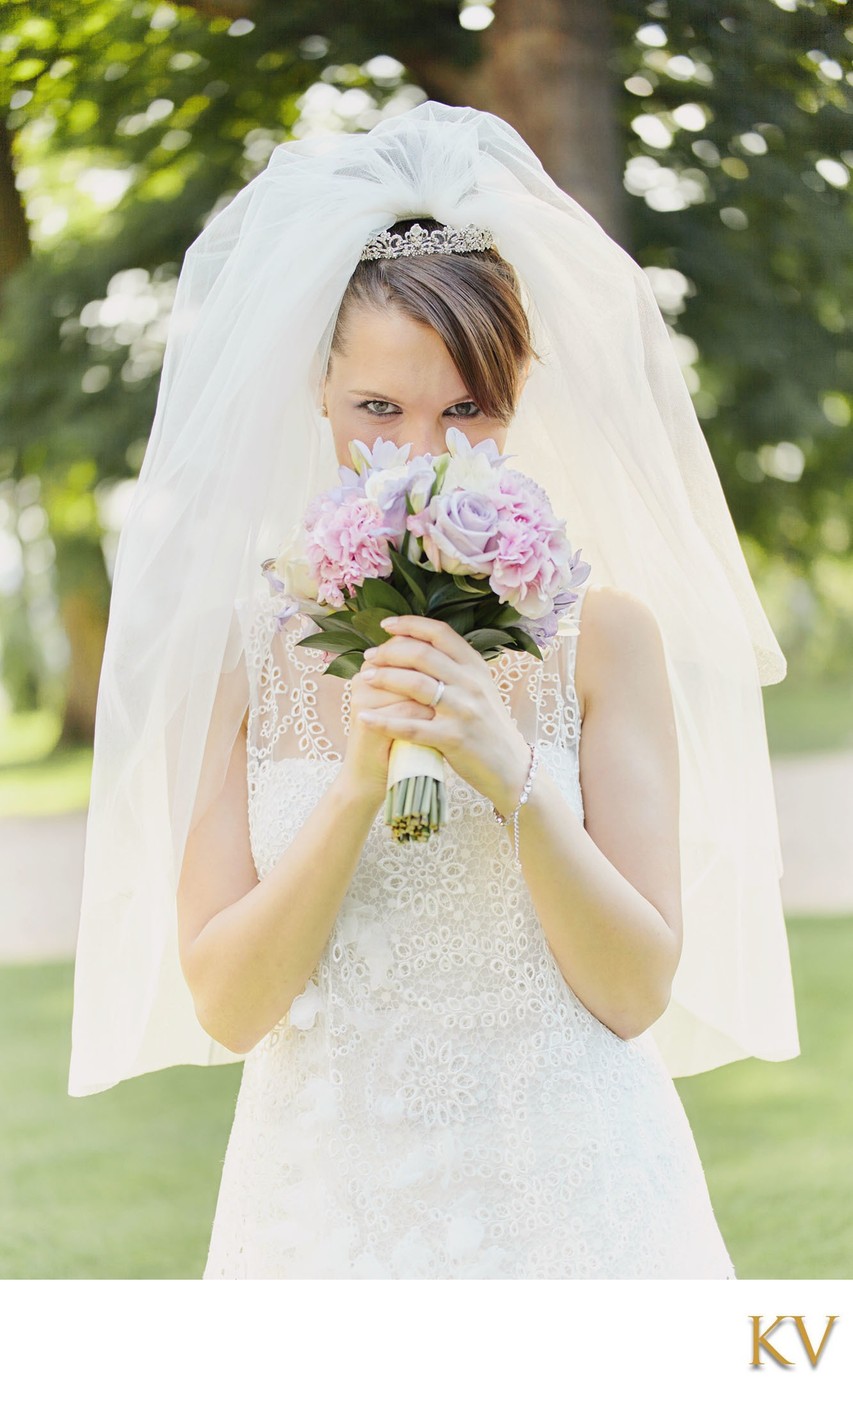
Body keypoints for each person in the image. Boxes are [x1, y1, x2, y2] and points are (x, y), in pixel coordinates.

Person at [67, 103, 800, 1279]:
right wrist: (361, 777)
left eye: (467, 408)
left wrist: (513, 776)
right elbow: (229, 1006)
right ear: (320, 392)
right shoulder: (234, 658)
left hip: (576, 1191)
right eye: (379, 409)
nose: (420, 450)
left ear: (516, 400)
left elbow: (631, 992)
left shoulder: (605, 641)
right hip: (326, 1198)